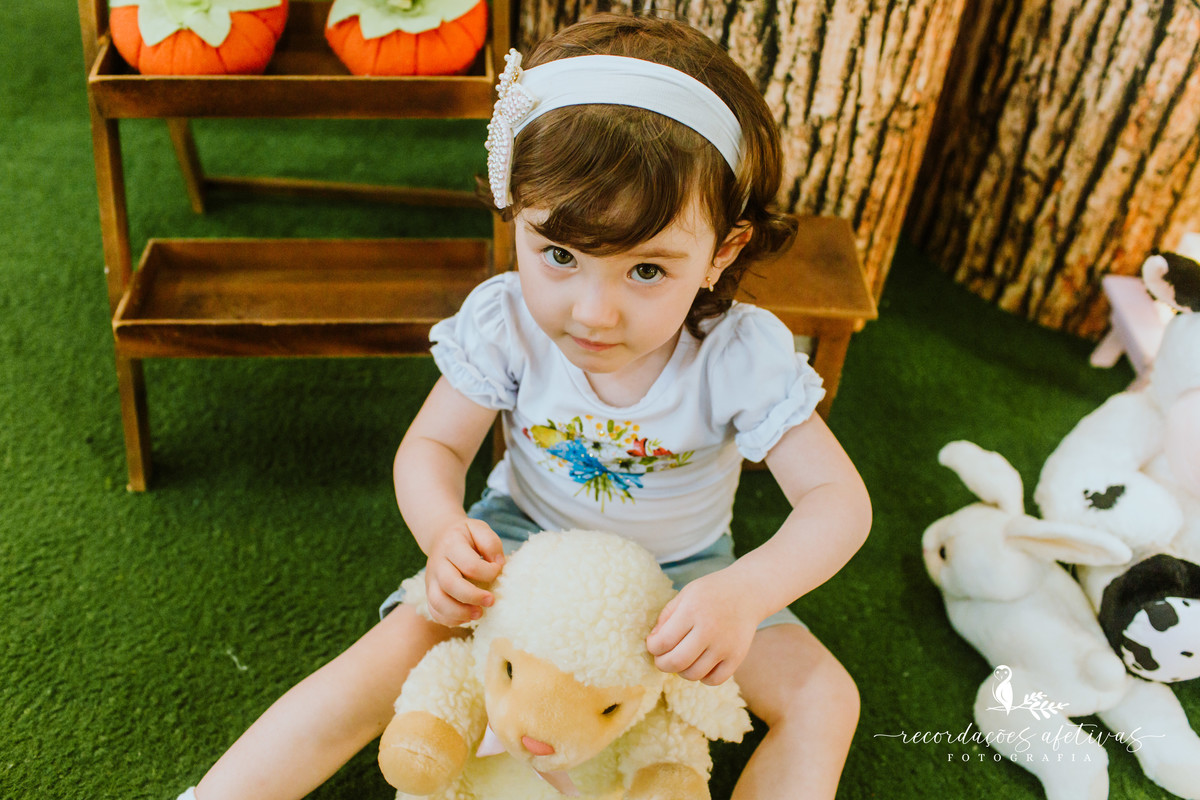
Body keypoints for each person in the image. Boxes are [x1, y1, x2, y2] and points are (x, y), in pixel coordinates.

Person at [177, 13, 870, 800]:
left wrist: (746, 593)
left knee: (825, 698)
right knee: (378, 663)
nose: (594, 312)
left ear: (723, 251)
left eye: (647, 270)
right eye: (560, 255)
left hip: (685, 582)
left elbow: (837, 502)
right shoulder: (506, 322)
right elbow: (433, 448)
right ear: (514, 215)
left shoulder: (738, 354)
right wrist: (444, 534)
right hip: (516, 558)